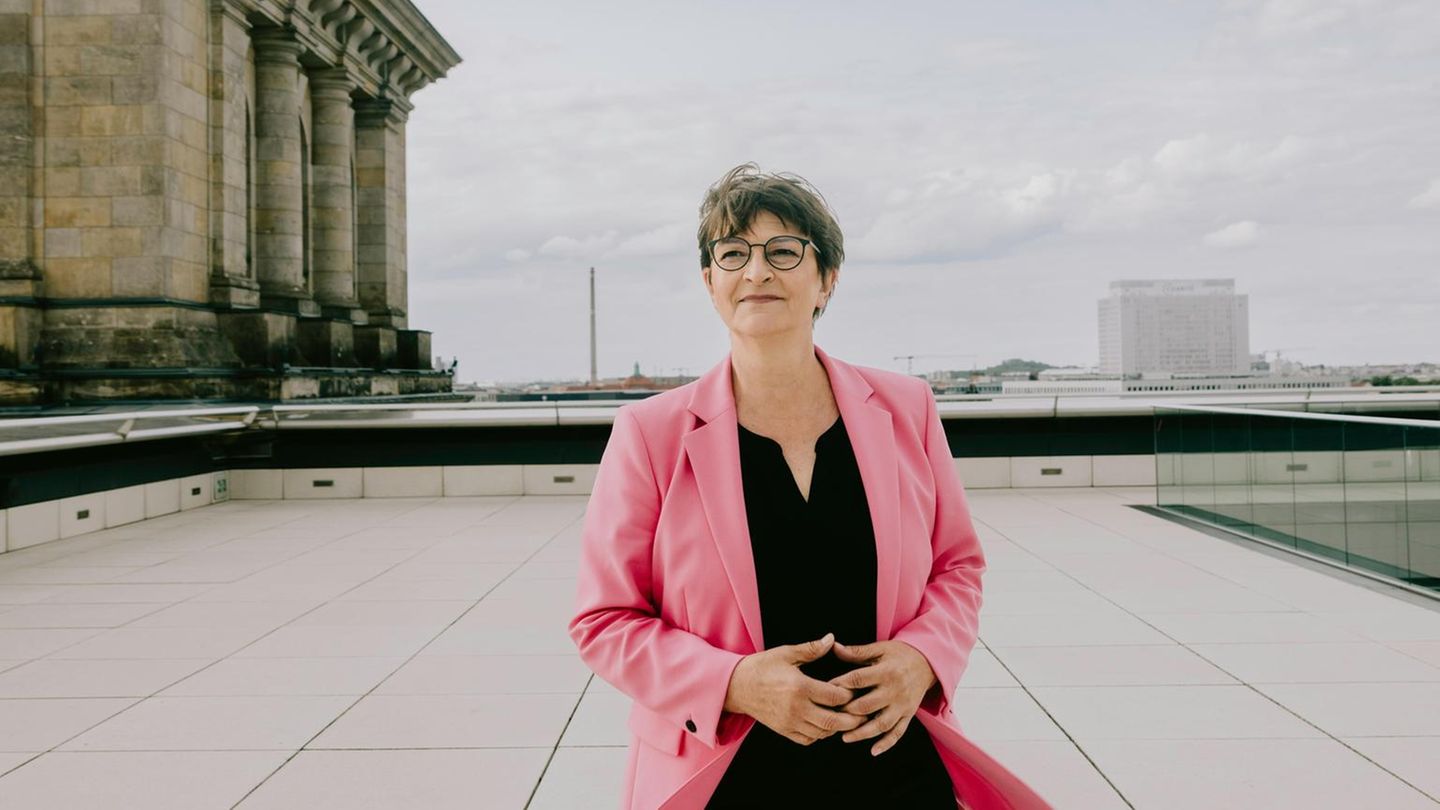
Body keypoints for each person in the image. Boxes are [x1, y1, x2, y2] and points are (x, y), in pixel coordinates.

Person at [568, 164, 1052, 810]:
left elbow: (958, 566)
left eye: (784, 251)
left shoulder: (908, 409)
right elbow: (603, 620)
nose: (757, 271)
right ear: (710, 281)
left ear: (826, 279)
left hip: (893, 766)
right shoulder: (649, 434)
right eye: (733, 252)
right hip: (725, 777)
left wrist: (924, 659)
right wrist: (735, 682)